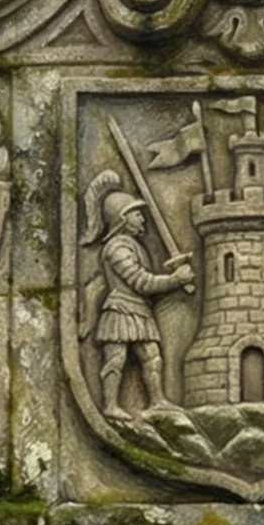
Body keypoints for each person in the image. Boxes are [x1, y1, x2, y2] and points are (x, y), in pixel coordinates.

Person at [87, 173, 191, 418]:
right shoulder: (117, 248)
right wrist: (175, 280)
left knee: (152, 356)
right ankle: (110, 405)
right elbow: (140, 281)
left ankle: (157, 400)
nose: (142, 219)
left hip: (139, 309)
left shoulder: (134, 246)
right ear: (122, 219)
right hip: (122, 308)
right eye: (136, 214)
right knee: (116, 359)